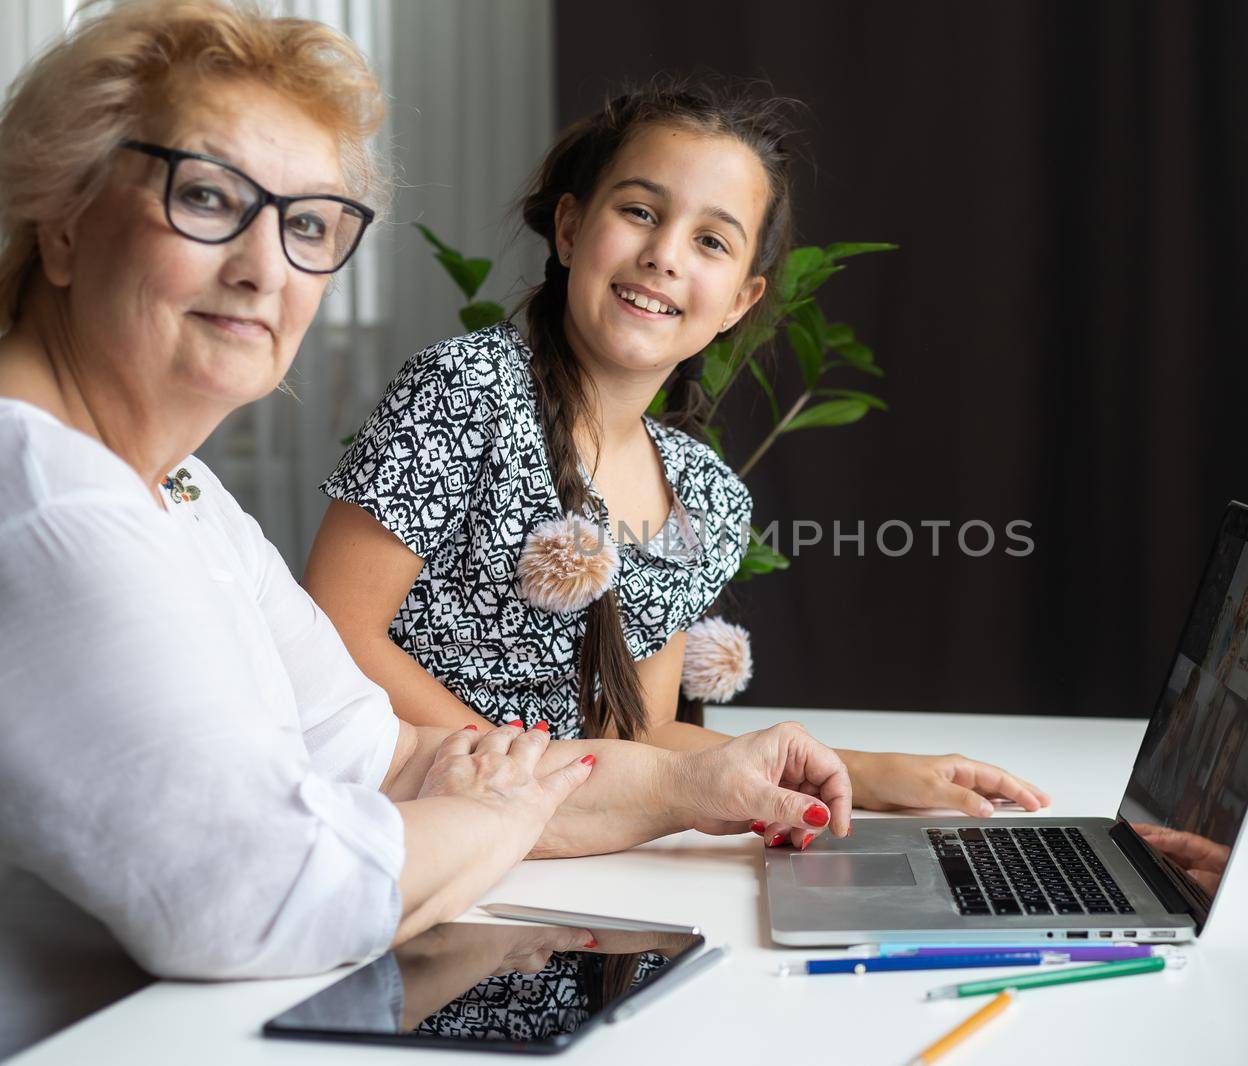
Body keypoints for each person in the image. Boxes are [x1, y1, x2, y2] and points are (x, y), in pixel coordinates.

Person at [0, 3, 851, 1056]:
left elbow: (382, 749)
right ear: (65, 217)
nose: (268, 268)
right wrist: (500, 817)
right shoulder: (48, 510)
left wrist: (689, 783)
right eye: (209, 198)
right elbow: (264, 897)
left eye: (308, 223)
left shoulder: (179, 497)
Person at [306, 76, 1051, 851]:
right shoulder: (466, 391)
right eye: (639, 212)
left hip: (560, 848)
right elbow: (333, 632)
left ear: (739, 300)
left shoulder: (705, 498)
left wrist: (864, 772)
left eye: (710, 241)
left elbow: (642, 735)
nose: (663, 255)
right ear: (569, 229)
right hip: (406, 830)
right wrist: (525, 778)